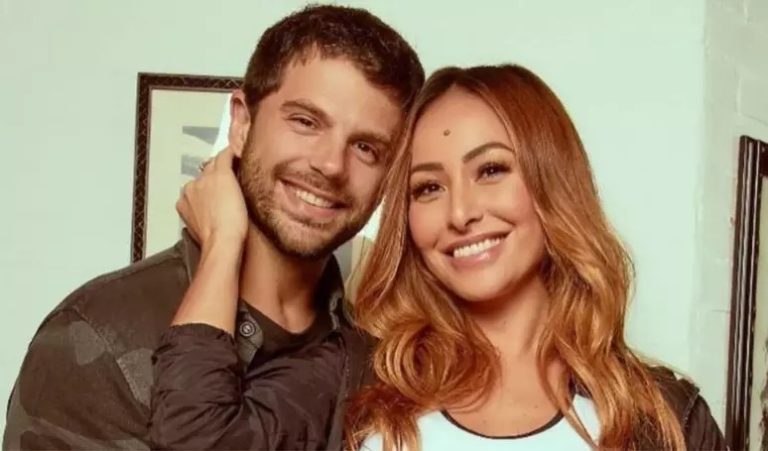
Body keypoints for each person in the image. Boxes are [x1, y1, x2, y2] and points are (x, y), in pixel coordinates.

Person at [2, 5, 423, 450]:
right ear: (241, 123)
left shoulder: (381, 358)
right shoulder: (101, 335)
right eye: (305, 122)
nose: (331, 164)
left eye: (366, 148)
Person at [342, 65, 726, 450]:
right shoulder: (355, 392)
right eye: (428, 188)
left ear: (553, 181)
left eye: (491, 170)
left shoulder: (664, 417)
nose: (459, 213)